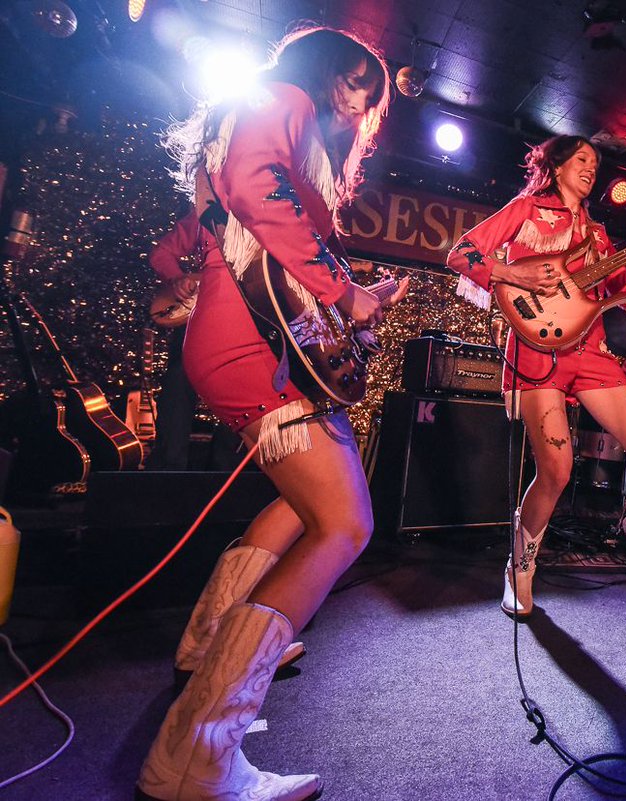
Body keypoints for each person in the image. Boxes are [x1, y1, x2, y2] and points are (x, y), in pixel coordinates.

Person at [135, 27, 405, 801]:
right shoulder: (282, 100)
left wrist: (357, 295)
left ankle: (207, 645)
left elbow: (209, 244)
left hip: (240, 341)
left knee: (303, 507)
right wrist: (345, 292)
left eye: (367, 95)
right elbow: (255, 190)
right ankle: (196, 754)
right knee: (345, 524)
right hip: (254, 350)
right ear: (315, 71)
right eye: (351, 81)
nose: (355, 102)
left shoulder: (263, 125)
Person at [447, 134, 626, 618]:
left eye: (596, 162)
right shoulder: (527, 209)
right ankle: (518, 571)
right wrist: (515, 274)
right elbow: (461, 253)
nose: (592, 167)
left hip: (589, 351)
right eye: (582, 159)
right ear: (556, 166)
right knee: (556, 470)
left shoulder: (597, 234)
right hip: (536, 351)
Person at [145, 204, 241, 470]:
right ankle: (169, 473)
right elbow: (162, 253)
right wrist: (177, 279)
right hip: (202, 311)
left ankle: (226, 472)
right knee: (180, 380)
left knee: (242, 386)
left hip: (245, 316)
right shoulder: (206, 210)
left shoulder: (272, 209)